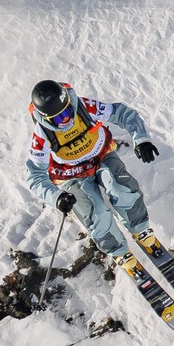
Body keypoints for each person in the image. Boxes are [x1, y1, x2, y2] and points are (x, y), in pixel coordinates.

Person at [26, 80, 162, 273]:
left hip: (101, 156)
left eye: (67, 112)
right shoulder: (41, 135)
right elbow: (35, 176)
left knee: (121, 188)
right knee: (96, 213)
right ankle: (118, 251)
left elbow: (122, 113)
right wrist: (56, 197)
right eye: (59, 118)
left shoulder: (82, 107)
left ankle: (140, 228)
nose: (66, 119)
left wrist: (141, 139)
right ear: (47, 118)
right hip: (71, 175)